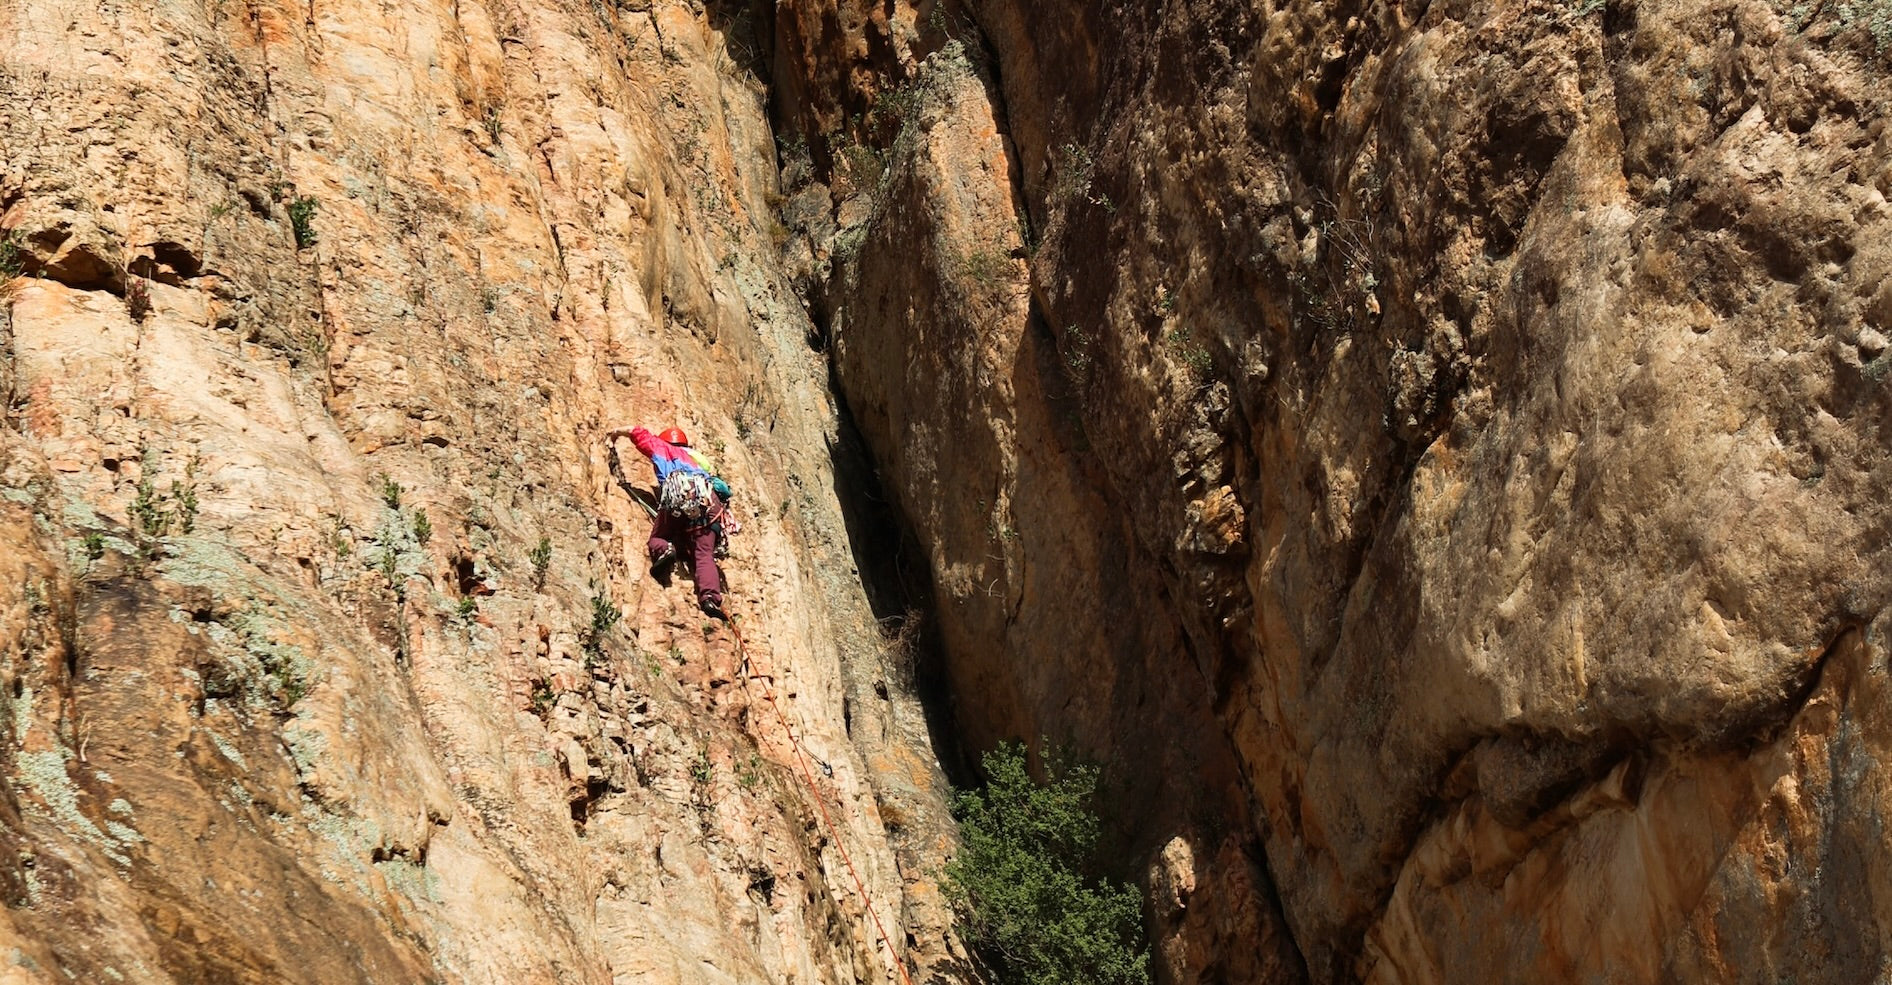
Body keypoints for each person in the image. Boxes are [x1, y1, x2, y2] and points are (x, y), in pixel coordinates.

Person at [607, 425, 732, 617]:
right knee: (704, 554)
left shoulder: (663, 448)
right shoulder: (698, 462)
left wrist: (616, 433)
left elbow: (638, 432)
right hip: (709, 503)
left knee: (659, 536)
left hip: (680, 493)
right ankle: (710, 599)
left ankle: (665, 550)